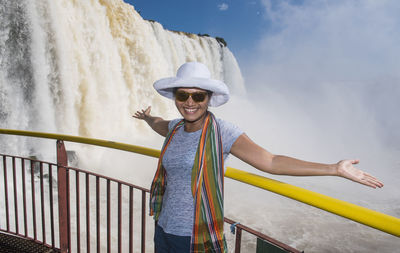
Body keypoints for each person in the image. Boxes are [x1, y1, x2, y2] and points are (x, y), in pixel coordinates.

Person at [133, 62, 383, 253]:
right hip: (163, 226)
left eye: (198, 96)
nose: (190, 102)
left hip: (194, 235)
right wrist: (147, 118)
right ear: (175, 97)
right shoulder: (174, 128)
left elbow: (271, 161)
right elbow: (159, 124)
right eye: (182, 95)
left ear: (209, 99)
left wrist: (334, 168)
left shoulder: (223, 133)